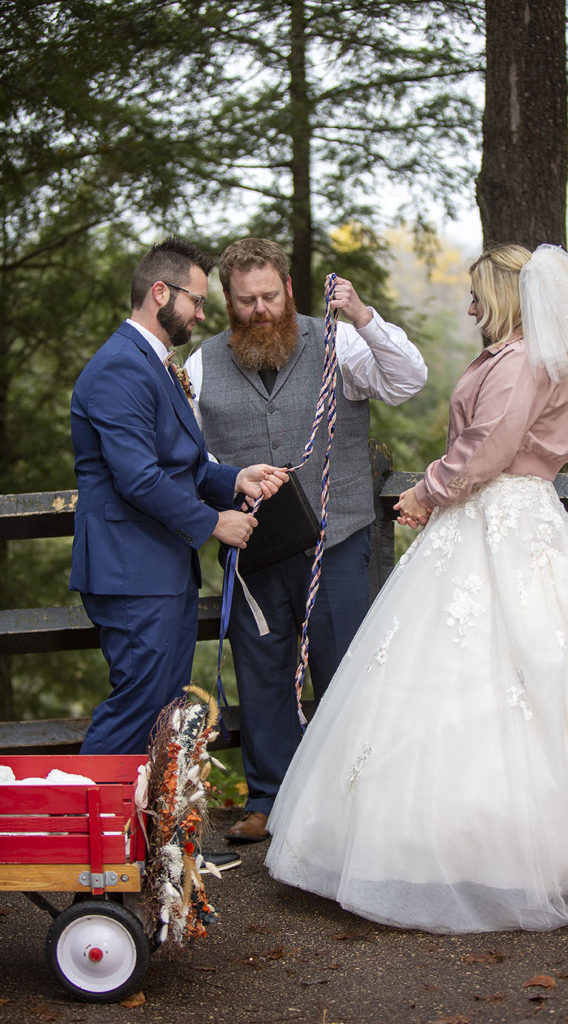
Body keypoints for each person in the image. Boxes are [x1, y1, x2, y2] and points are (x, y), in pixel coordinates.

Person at [265, 243, 568, 934]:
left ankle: (510, 848)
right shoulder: (519, 355)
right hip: (495, 517)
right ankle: (459, 839)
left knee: (514, 665)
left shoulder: (520, 360)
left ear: (505, 298)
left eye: (477, 296)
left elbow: (489, 444)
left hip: (503, 518)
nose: (468, 308)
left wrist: (430, 490)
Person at [184, 237, 427, 841]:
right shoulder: (199, 365)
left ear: (290, 289)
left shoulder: (339, 340)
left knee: (341, 666)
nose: (260, 309)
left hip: (336, 538)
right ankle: (270, 798)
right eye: (246, 301)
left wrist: (364, 315)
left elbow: (407, 381)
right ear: (227, 301)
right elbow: (187, 453)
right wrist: (227, 486)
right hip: (254, 545)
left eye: (270, 295)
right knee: (262, 670)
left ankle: (351, 799)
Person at [70, 237, 288, 757]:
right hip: (131, 572)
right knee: (139, 706)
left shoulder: (158, 364)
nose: (201, 314)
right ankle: (76, 830)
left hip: (158, 569)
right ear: (160, 292)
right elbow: (139, 478)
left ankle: (143, 837)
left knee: (163, 709)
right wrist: (216, 523)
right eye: (197, 300)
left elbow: (181, 465)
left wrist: (236, 480)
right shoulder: (120, 367)